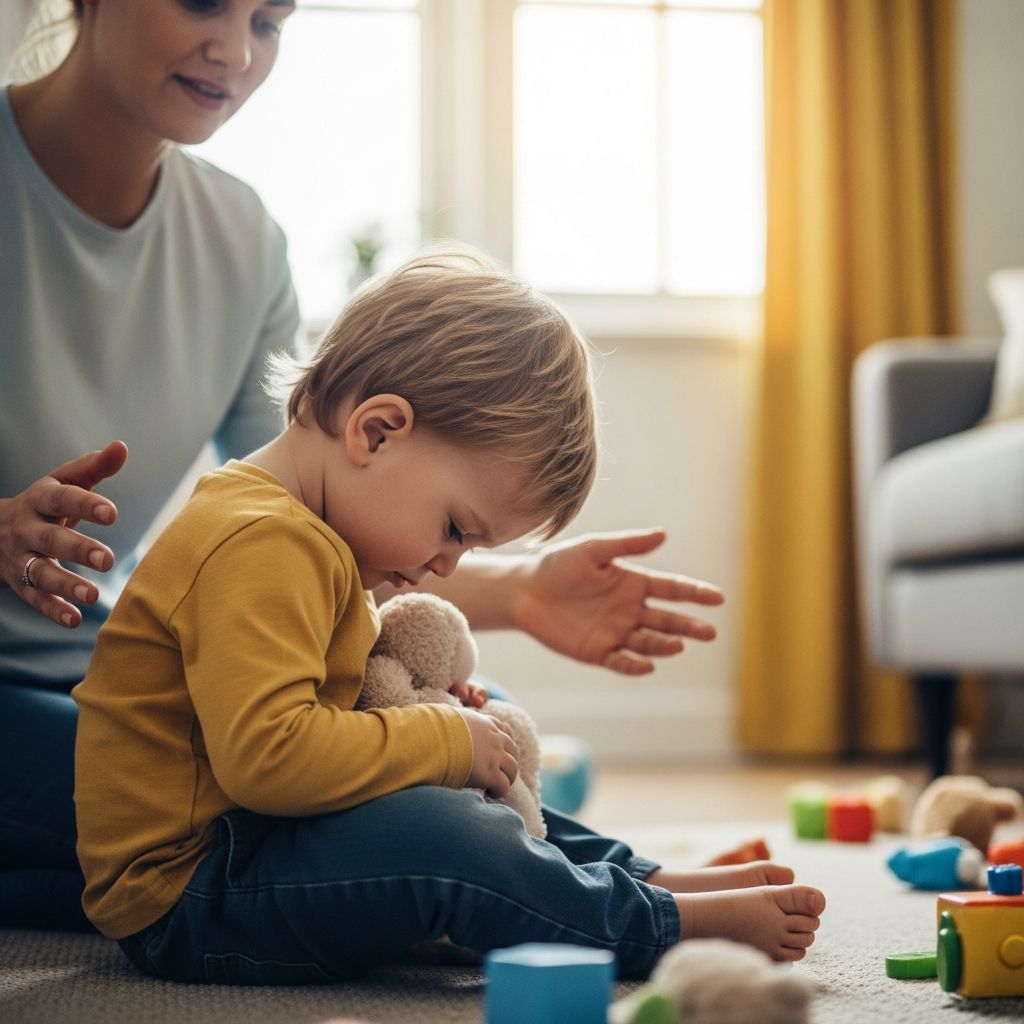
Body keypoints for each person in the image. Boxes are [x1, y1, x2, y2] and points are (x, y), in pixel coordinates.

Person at [0, 0, 743, 935]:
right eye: (202, 2)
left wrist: (517, 593)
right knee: (305, 794)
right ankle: (605, 906)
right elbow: (276, 685)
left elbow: (327, 523)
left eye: (270, 19)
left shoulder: (240, 239)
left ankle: (618, 882)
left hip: (89, 665)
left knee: (462, 723)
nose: (235, 50)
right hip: (76, 714)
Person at [72, 246, 826, 984]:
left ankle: (633, 877)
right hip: (197, 894)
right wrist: (436, 737)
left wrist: (448, 724)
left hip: (264, 837)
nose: (448, 564)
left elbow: (332, 704)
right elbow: (269, 758)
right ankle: (651, 924)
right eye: (458, 528)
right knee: (449, 833)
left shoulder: (304, 532)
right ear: (377, 430)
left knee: (485, 747)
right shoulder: (261, 541)